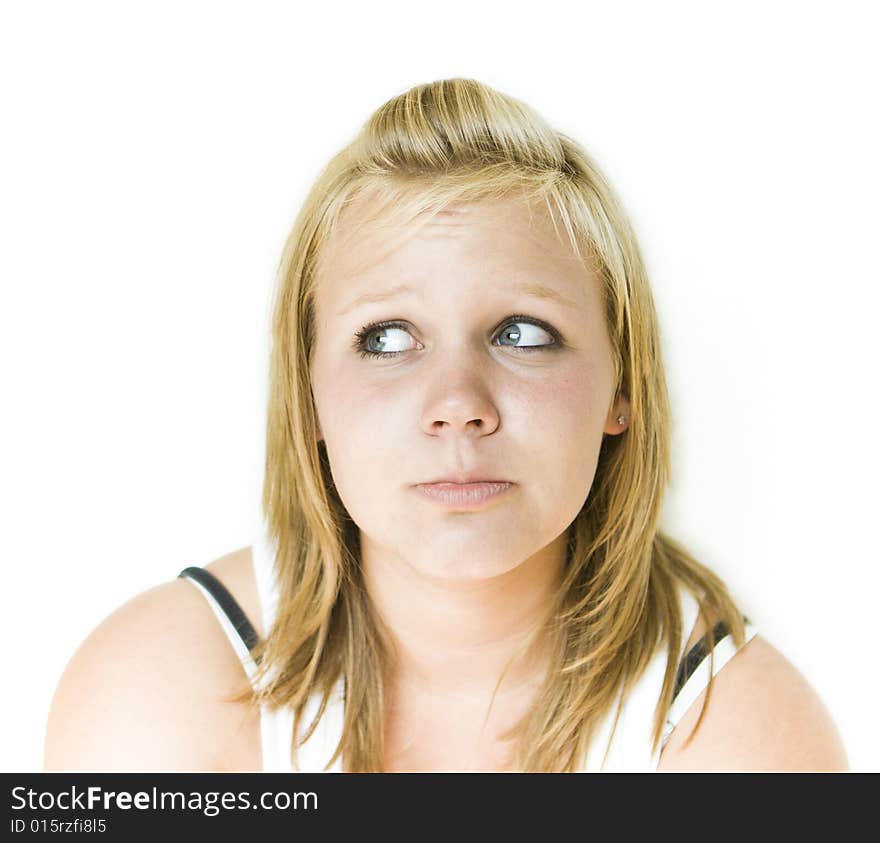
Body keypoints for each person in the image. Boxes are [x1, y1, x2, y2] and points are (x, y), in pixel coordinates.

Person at [43, 78, 848, 772]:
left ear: (621, 388)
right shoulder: (151, 694)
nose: (458, 400)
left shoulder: (740, 739)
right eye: (387, 338)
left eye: (522, 332)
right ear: (309, 396)